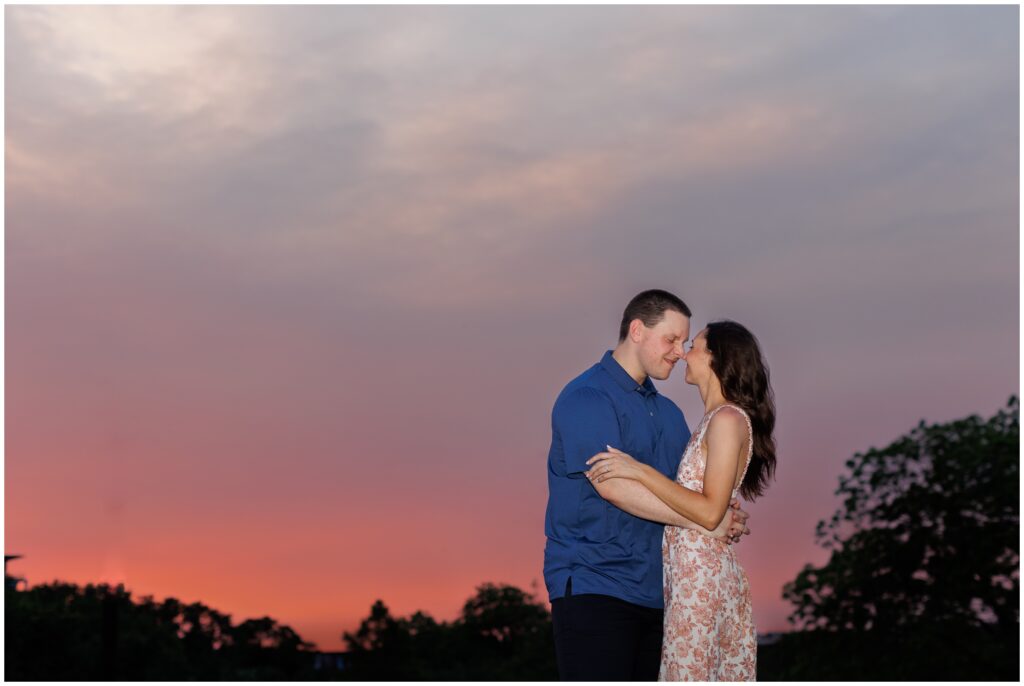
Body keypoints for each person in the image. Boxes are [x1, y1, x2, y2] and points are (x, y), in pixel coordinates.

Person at [543, 291, 751, 681]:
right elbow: (613, 486)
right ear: (637, 330)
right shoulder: (587, 397)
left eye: (684, 342)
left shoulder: (670, 414)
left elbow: (688, 495)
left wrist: (722, 510)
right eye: (671, 339)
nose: (679, 352)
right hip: (596, 586)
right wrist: (707, 521)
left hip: (663, 594)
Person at [586, 319, 777, 681]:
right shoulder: (712, 420)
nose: (684, 355)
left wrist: (640, 471)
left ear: (716, 359)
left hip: (702, 577)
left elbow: (709, 512)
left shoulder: (727, 419)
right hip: (688, 574)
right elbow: (712, 509)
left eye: (693, 347)